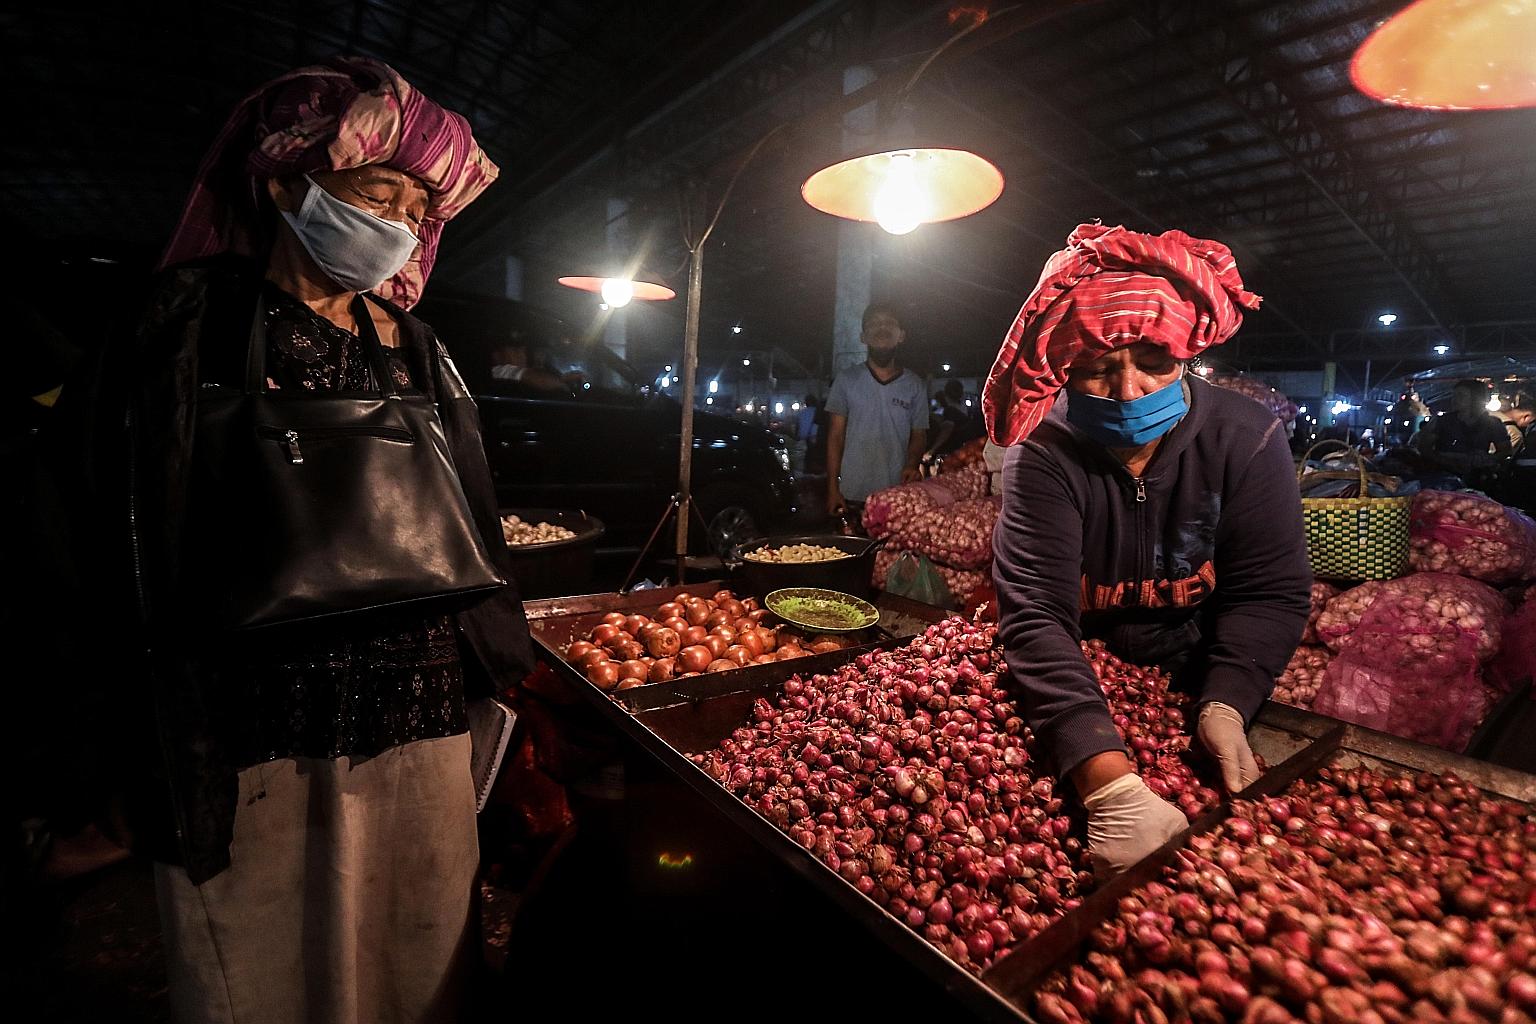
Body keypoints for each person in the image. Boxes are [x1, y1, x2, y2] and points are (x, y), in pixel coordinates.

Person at [84, 58, 530, 1023]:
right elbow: (111, 521)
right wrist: (116, 735)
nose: (400, 226)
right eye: (378, 193)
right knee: (271, 958)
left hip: (414, 711)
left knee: (412, 946)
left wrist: (502, 665)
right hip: (256, 728)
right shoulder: (188, 323)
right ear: (288, 183)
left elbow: (472, 521)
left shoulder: (412, 344)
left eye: (418, 208)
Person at [984, 223, 1310, 877]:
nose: (1129, 389)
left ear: (1188, 355)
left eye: (1154, 363)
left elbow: (1267, 592)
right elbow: (1037, 618)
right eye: (1099, 370)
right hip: (1070, 688)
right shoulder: (1045, 454)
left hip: (1193, 688)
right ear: (1065, 368)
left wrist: (1227, 700)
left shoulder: (1245, 439)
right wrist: (1106, 781)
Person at [825, 303, 928, 520]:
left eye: (889, 323)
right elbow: (835, 437)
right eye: (874, 324)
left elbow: (919, 435)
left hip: (897, 495)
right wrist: (833, 488)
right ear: (863, 337)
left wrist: (911, 464)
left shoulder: (915, 385)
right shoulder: (846, 380)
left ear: (901, 336)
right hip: (851, 495)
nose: (882, 328)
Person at [1414, 379, 1513, 474]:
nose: (1454, 400)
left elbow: (1506, 450)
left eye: (1460, 396)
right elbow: (1424, 447)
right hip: (1445, 473)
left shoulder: (1492, 423)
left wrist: (1485, 459)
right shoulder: (1442, 421)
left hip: (1477, 476)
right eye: (1454, 396)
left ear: (1475, 398)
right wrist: (1443, 459)